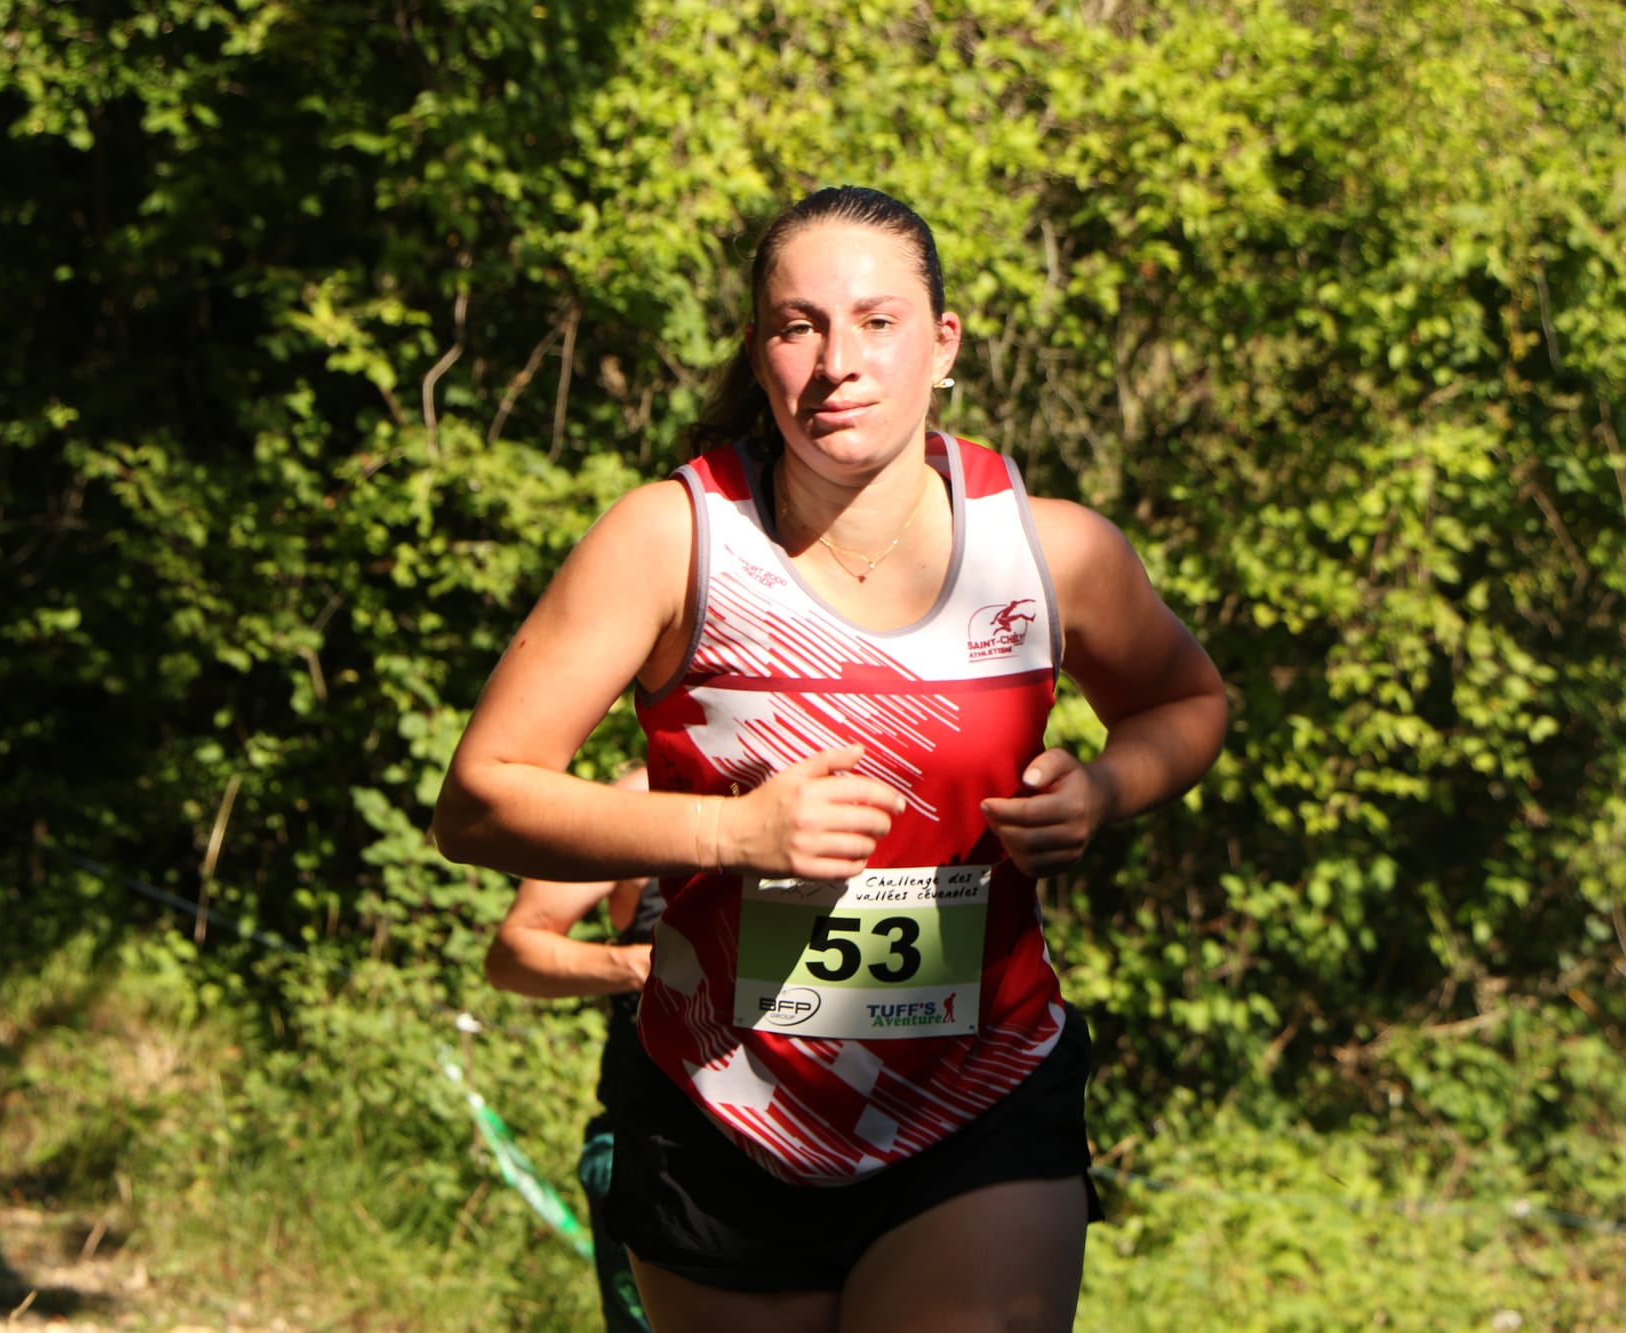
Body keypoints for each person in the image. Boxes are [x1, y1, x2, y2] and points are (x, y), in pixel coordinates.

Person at [433, 184, 1227, 1332]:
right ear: (759, 355)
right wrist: (728, 833)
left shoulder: (1047, 550)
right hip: (721, 1111)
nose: (834, 362)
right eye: (797, 326)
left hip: (979, 1102)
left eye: (875, 321)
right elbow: (477, 803)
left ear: (942, 344)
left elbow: (1185, 700)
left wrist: (1105, 787)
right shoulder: (670, 538)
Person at [483, 766, 660, 1333]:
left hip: (857, 1161)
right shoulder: (644, 796)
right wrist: (635, 965)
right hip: (651, 1153)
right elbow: (514, 953)